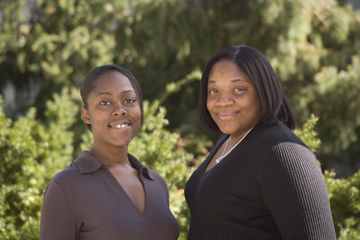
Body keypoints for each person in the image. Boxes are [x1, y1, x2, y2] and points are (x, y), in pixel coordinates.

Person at [184, 45, 336, 239]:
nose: (222, 101)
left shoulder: (284, 152)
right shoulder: (229, 139)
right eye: (213, 91)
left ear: (263, 91)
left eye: (238, 89)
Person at [39, 64, 179, 240]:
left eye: (129, 100)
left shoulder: (157, 184)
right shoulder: (66, 187)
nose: (120, 110)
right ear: (86, 115)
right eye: (105, 102)